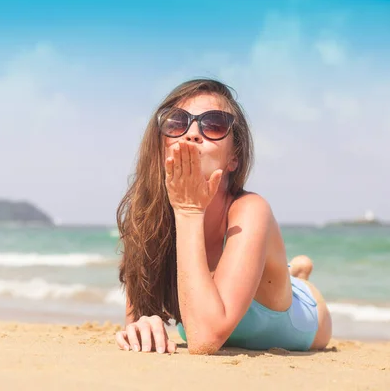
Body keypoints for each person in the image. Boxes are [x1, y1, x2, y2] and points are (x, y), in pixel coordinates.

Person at [114, 78, 332, 355]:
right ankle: (287, 270)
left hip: (299, 319)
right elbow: (137, 321)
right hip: (209, 310)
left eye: (214, 124)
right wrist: (143, 325)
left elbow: (205, 339)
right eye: (177, 122)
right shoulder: (147, 219)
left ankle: (297, 278)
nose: (192, 133)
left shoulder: (252, 209)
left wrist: (189, 210)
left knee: (297, 288)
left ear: (234, 157)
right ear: (160, 145)